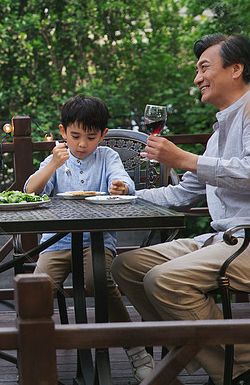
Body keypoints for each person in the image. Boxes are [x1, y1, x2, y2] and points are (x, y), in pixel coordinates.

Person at [112, 34, 250, 385]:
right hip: (227, 240)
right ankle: (213, 358)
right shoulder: (218, 135)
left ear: (235, 69)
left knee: (164, 280)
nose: (196, 78)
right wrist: (122, 199)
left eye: (203, 67)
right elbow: (184, 194)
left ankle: (249, 366)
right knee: (128, 266)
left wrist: (183, 158)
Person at [24, 95, 155, 382]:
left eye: (91, 137)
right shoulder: (57, 158)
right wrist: (51, 166)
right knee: (35, 291)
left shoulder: (107, 156)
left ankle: (136, 351)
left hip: (96, 240)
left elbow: (123, 182)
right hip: (56, 242)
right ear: (63, 132)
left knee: (98, 280)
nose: (82, 144)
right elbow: (30, 190)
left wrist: (120, 186)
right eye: (75, 136)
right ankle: (35, 361)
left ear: (103, 136)